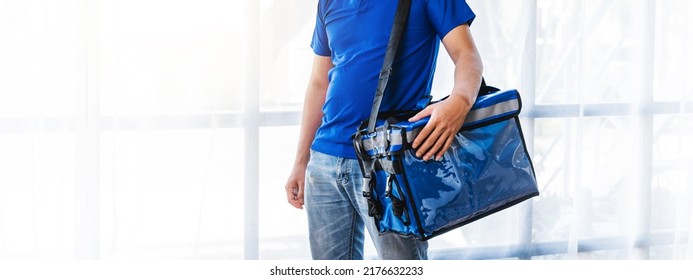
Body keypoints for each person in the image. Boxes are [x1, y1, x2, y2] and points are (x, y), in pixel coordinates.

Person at [284, 0, 483, 260]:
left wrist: (461, 100)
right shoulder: (328, 3)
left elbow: (467, 55)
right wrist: (301, 161)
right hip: (325, 162)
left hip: (389, 163)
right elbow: (320, 82)